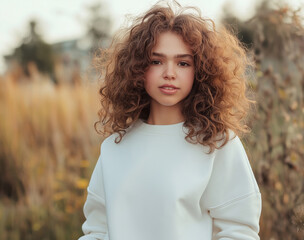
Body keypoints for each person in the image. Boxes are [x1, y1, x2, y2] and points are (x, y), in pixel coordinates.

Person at [79, 2, 261, 240]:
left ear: (200, 71)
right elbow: (96, 232)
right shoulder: (114, 148)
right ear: (137, 68)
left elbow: (239, 232)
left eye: (183, 63)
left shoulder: (217, 144)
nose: (169, 73)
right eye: (156, 61)